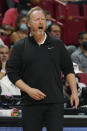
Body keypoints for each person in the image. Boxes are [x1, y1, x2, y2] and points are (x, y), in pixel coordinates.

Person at [6, 6, 79, 131]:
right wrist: (29, 90)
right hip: (30, 103)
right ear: (28, 23)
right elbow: (12, 73)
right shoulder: (20, 46)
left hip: (55, 102)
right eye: (36, 19)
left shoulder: (57, 44)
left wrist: (74, 92)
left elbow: (68, 70)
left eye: (43, 19)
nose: (41, 22)